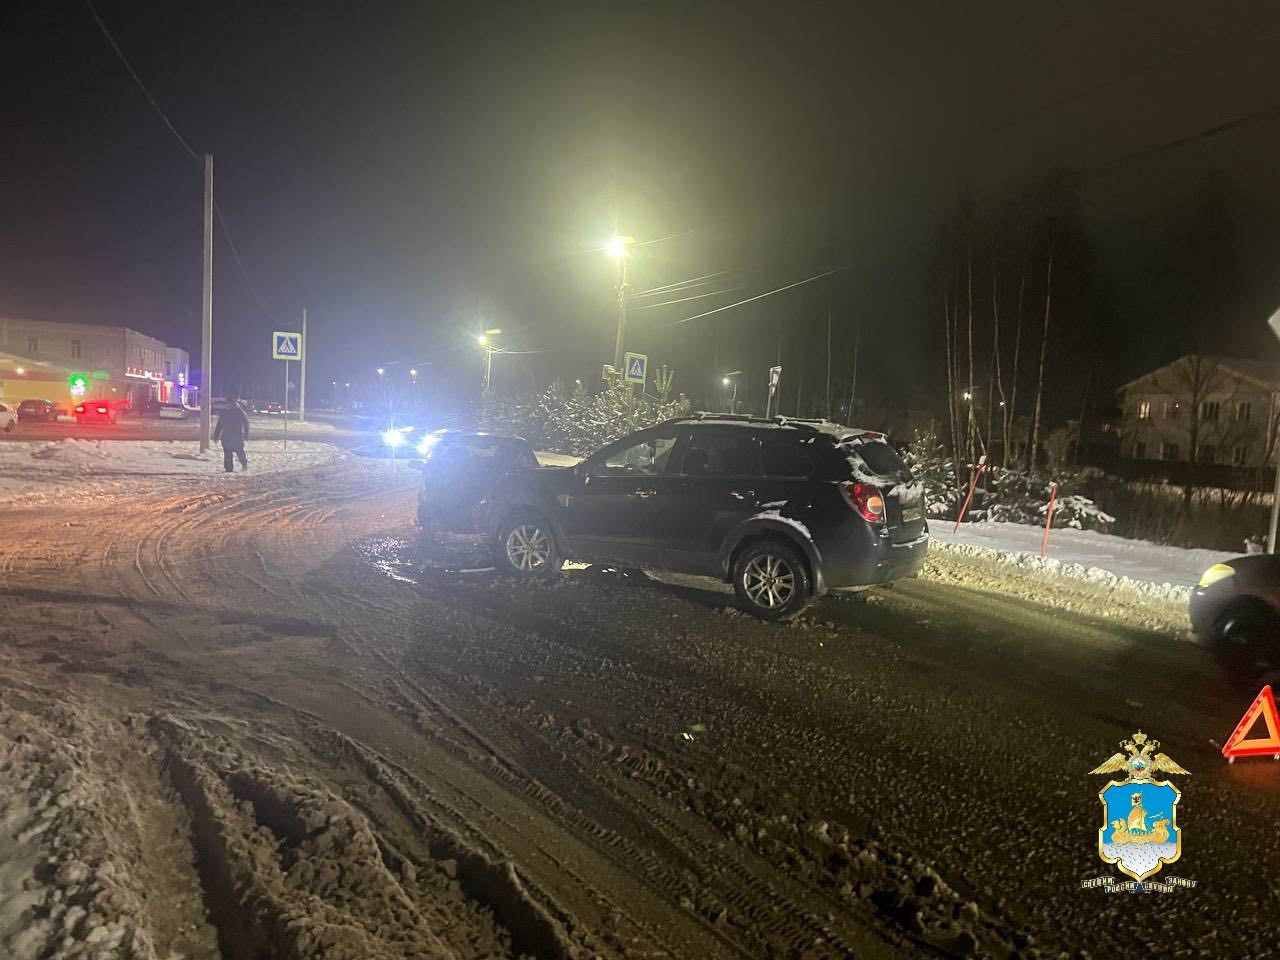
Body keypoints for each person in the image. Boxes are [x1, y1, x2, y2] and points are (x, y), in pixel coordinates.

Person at [213, 397, 250, 472]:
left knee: (239, 451)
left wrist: (246, 434)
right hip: (228, 437)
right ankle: (229, 469)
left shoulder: (239, 412)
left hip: (236, 436)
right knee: (228, 453)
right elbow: (219, 425)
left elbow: (246, 424)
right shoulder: (226, 413)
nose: (229, 405)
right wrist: (216, 436)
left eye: (230, 403)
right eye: (228, 403)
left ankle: (244, 464)